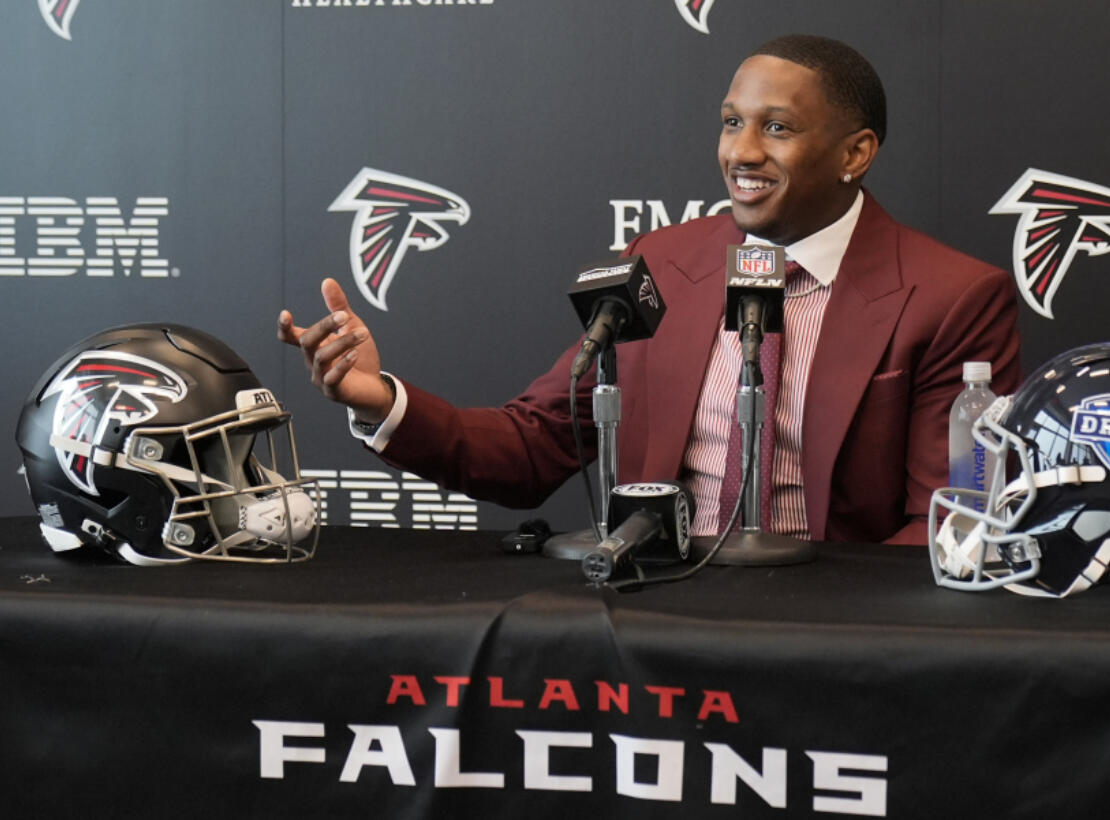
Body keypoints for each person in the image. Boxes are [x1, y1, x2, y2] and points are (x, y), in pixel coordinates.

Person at [278, 34, 1021, 545]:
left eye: (778, 127)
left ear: (857, 152)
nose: (742, 152)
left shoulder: (951, 297)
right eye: (731, 122)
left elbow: (946, 521)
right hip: (654, 615)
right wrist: (380, 401)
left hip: (829, 633)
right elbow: (537, 445)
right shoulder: (663, 263)